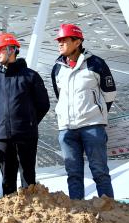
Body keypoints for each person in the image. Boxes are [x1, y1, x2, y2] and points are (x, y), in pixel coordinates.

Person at [50, 23, 116, 200]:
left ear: (77, 42)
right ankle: (78, 211)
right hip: (67, 129)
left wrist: (97, 112)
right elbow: (60, 96)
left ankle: (108, 209)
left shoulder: (96, 63)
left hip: (92, 126)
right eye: (59, 40)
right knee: (73, 174)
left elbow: (109, 93)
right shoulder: (57, 68)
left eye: (64, 40)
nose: (60, 43)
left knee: (100, 171)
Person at [0, 33, 50, 198]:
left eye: (0, 49)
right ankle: (10, 213)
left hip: (26, 135)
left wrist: (29, 123)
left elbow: (43, 104)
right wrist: (2, 123)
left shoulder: (31, 76)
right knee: (7, 180)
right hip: (2, 136)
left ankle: (31, 210)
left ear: (11, 50)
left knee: (28, 178)